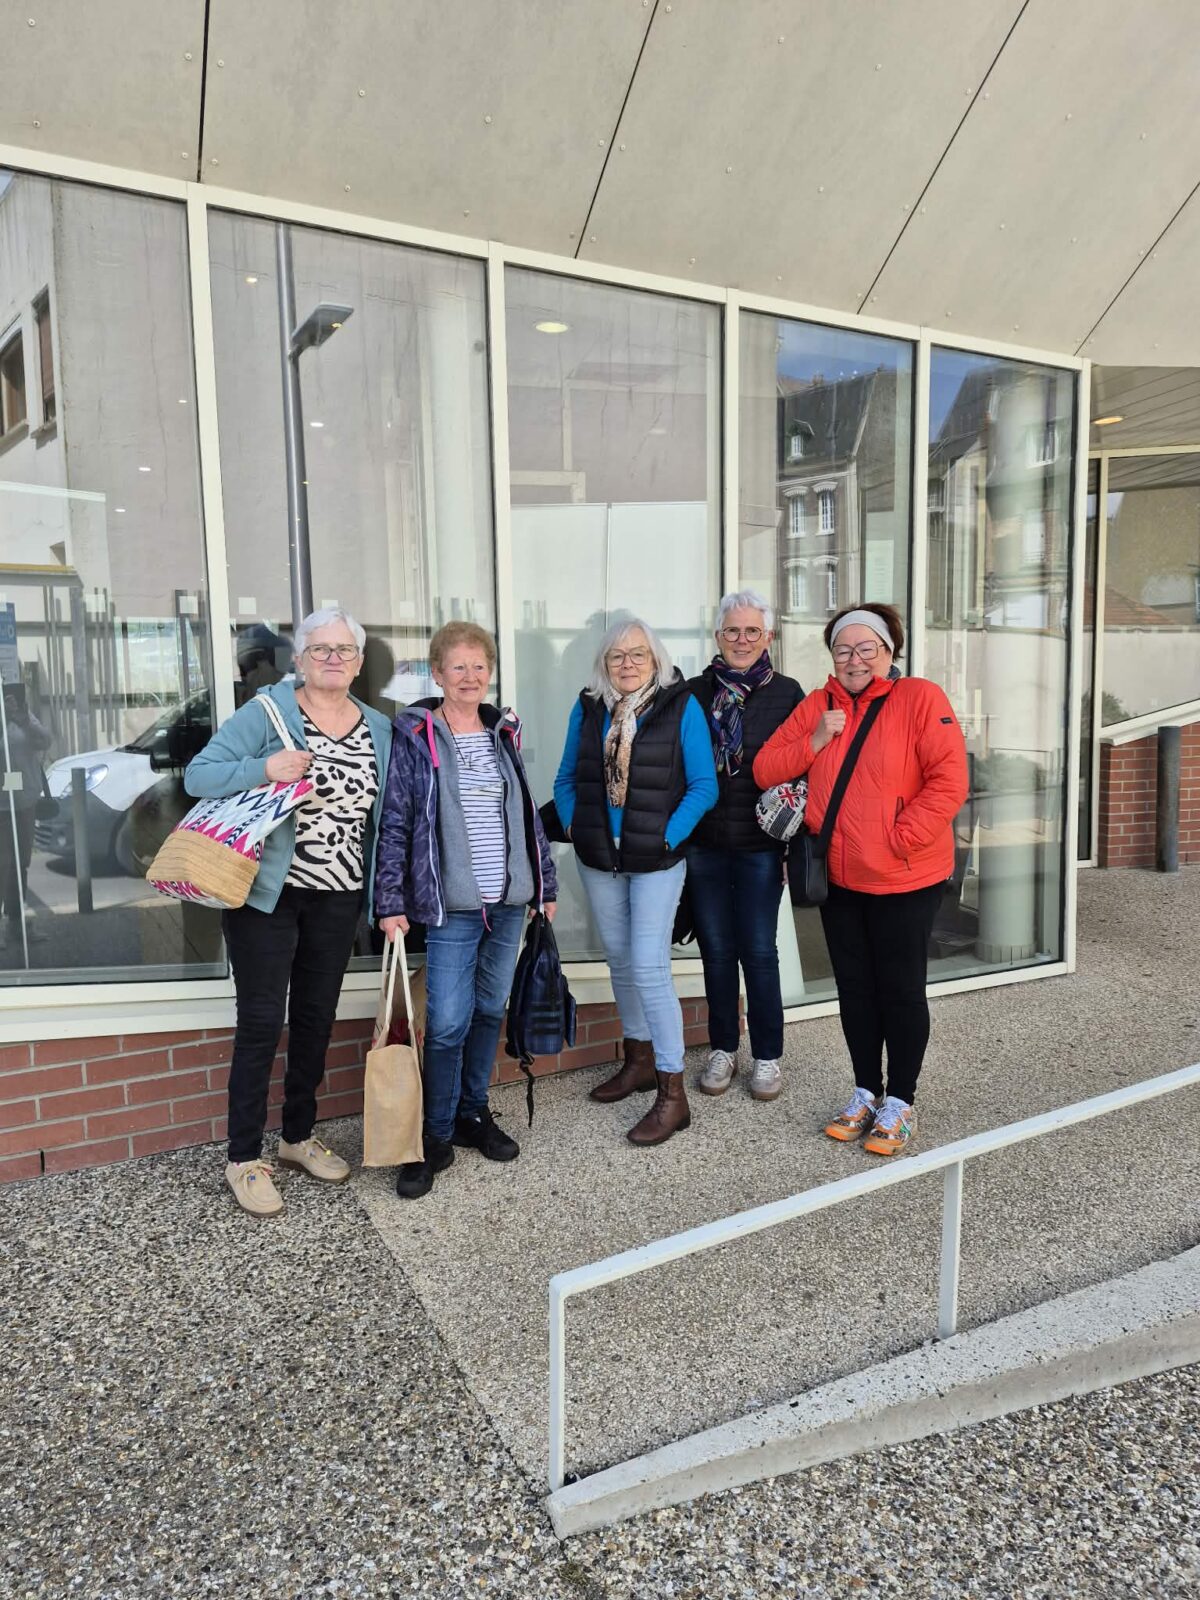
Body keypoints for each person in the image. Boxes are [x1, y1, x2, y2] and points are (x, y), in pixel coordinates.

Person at [185, 608, 393, 1215]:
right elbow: (200, 775)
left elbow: (382, 819)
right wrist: (263, 768)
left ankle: (297, 1137)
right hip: (265, 897)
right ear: (298, 658)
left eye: (344, 649)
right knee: (259, 1023)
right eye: (320, 648)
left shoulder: (379, 726)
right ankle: (245, 1157)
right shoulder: (268, 714)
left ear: (359, 661)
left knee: (314, 1018)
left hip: (339, 895)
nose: (333, 658)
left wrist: (383, 898)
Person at [753, 603, 967, 1157]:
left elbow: (949, 780)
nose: (853, 659)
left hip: (905, 876)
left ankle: (901, 1100)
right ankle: (866, 1089)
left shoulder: (920, 698)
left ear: (888, 652)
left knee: (899, 989)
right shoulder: (817, 705)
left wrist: (899, 838)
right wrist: (815, 741)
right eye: (843, 649)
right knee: (855, 991)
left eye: (865, 648)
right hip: (840, 880)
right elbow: (765, 769)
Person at [374, 621, 556, 1200]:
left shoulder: (502, 731)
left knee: (486, 1011)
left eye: (480, 667)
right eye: (459, 667)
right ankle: (432, 1132)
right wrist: (390, 901)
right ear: (437, 674)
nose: (471, 677)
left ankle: (473, 1114)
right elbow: (397, 821)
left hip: (508, 903)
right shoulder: (417, 735)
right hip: (450, 906)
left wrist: (543, 883)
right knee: (447, 1021)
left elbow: (526, 815)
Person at [554, 619, 717, 1146]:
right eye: (617, 655)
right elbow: (564, 780)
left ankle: (673, 1095)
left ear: (656, 659)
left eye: (638, 654)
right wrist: (579, 825)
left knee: (649, 967)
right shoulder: (588, 708)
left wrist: (668, 838)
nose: (627, 663)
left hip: (658, 862)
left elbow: (703, 786)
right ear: (604, 664)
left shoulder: (680, 705)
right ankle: (639, 1060)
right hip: (600, 859)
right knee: (621, 961)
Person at [685, 591, 803, 1103]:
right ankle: (722, 1048)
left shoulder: (789, 693)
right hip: (706, 844)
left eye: (752, 631)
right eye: (732, 631)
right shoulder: (692, 692)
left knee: (758, 951)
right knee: (716, 951)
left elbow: (804, 768)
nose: (742, 640)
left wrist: (789, 845)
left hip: (760, 846)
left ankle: (768, 1057)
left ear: (768, 637)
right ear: (717, 637)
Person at [0, 685, 52, 952]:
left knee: (21, 863)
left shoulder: (23, 714)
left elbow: (45, 741)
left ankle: (16, 924)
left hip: (24, 800)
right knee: (3, 864)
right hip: (1, 805)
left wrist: (21, 718)